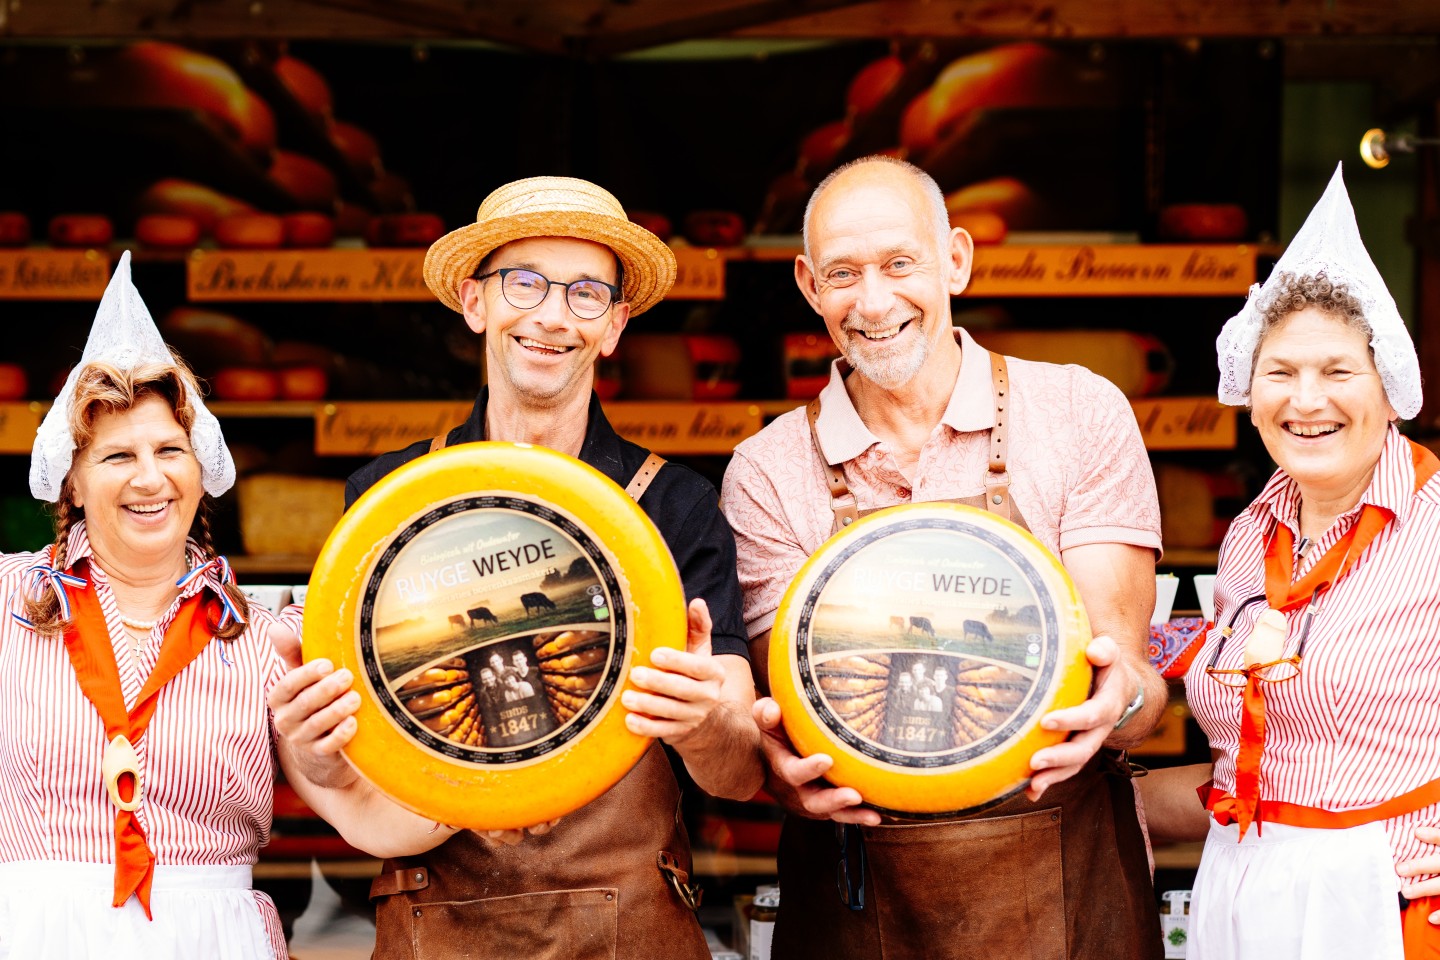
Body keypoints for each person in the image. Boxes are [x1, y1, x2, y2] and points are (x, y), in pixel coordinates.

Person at [269, 176, 762, 960]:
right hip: (436, 926)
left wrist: (705, 724)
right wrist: (314, 751)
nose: (552, 315)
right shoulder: (386, 505)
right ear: (475, 303)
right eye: (524, 283)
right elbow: (332, 758)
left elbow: (739, 773)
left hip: (627, 931)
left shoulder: (675, 506)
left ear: (614, 327)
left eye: (587, 294)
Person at [720, 155, 1167, 958]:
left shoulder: (1078, 411)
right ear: (807, 285)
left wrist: (1118, 707)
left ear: (955, 258)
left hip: (1066, 888)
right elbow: (791, 714)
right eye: (843, 274)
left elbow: (1132, 683)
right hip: (860, 894)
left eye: (901, 263)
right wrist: (776, 767)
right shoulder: (766, 469)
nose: (874, 300)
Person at [1139, 164, 1440, 959]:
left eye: (1338, 371)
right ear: (1249, 388)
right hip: (1239, 883)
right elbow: (1255, 755)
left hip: (1389, 898)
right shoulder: (1249, 534)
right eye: (1281, 373)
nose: (1306, 401)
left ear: (1390, 386)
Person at [0, 252, 301, 958]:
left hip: (210, 940)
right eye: (115, 457)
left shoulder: (266, 637)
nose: (149, 478)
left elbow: (359, 807)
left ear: (201, 470)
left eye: (170, 449)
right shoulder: (6, 601)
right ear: (70, 480)